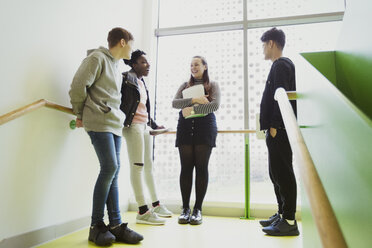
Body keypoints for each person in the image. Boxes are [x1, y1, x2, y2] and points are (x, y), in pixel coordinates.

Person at [69, 27, 143, 246]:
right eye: (131, 43)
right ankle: (96, 225)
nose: (132, 48)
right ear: (122, 42)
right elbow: (77, 86)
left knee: (114, 170)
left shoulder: (115, 65)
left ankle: (115, 225)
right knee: (110, 168)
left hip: (114, 124)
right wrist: (79, 113)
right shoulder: (96, 58)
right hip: (98, 122)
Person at [120, 50, 172, 225]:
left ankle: (155, 204)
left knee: (148, 166)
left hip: (144, 126)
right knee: (138, 167)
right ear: (134, 64)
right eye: (143, 62)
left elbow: (142, 109)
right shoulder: (126, 79)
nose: (148, 65)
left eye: (147, 62)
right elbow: (123, 105)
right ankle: (142, 211)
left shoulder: (141, 82)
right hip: (133, 126)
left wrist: (155, 125)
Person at [258, 27, 299, 236]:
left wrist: (274, 125)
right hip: (275, 129)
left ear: (271, 43)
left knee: (283, 173)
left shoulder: (281, 65)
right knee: (276, 174)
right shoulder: (278, 66)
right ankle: (283, 214)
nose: (263, 49)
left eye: (264, 45)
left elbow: (280, 96)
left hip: (279, 129)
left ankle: (289, 220)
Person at [172, 56, 220, 225]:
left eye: (197, 64)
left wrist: (191, 109)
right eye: (191, 65)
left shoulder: (213, 85)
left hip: (205, 127)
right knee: (186, 168)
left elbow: (214, 106)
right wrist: (195, 99)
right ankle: (185, 209)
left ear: (205, 67)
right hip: (185, 128)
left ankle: (197, 209)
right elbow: (175, 103)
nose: (193, 67)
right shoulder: (184, 85)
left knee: (201, 168)